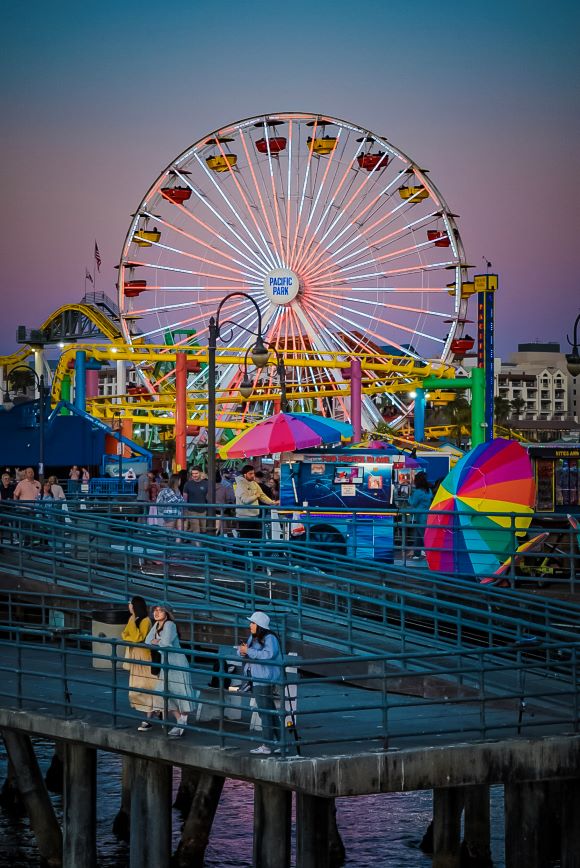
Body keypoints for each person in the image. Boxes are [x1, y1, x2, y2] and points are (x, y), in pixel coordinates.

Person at [144, 604, 196, 737]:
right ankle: (179, 719)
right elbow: (148, 640)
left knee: (180, 691)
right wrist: (157, 641)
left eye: (160, 610)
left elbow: (165, 642)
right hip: (165, 663)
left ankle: (182, 721)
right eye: (155, 610)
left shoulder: (169, 625)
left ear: (167, 613)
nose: (157, 613)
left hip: (177, 662)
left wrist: (157, 641)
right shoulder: (156, 625)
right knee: (162, 692)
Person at [237, 610, 282, 754]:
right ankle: (281, 742)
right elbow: (245, 651)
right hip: (257, 678)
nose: (250, 625)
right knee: (270, 711)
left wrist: (248, 651)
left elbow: (268, 655)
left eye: (252, 623)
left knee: (265, 713)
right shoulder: (254, 637)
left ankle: (267, 745)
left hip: (263, 679)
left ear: (259, 625)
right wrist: (242, 651)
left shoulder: (270, 638)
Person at [121, 596, 156, 720]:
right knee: (136, 688)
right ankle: (154, 712)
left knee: (146, 686)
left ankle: (149, 717)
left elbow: (137, 638)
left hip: (144, 657)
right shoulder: (132, 618)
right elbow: (124, 635)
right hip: (135, 656)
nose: (129, 606)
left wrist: (131, 633)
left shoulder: (145, 621)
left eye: (130, 604)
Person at [235, 465, 277, 546]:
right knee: (244, 540)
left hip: (255, 516)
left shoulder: (254, 483)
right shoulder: (240, 485)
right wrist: (256, 496)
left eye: (253, 473)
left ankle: (255, 556)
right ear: (245, 474)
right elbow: (246, 500)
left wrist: (272, 502)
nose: (253, 475)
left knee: (256, 539)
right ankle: (238, 557)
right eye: (250, 474)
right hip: (244, 518)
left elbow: (262, 495)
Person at [407, 472, 433, 560]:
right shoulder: (428, 490)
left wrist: (409, 497)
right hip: (428, 516)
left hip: (420, 517)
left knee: (423, 537)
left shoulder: (418, 492)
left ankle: (430, 556)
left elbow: (413, 503)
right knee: (418, 537)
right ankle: (417, 554)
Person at [183, 466, 208, 537]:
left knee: (203, 530)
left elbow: (209, 496)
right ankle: (198, 546)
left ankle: (202, 546)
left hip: (203, 510)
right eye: (192, 473)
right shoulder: (188, 484)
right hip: (192, 510)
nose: (194, 475)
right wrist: (185, 510)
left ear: (200, 473)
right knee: (196, 531)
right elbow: (185, 498)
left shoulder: (206, 483)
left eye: (196, 473)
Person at [215, 470, 235, 536]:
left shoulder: (207, 487)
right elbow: (231, 499)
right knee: (226, 529)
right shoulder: (226, 487)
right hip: (223, 511)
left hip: (210, 511)